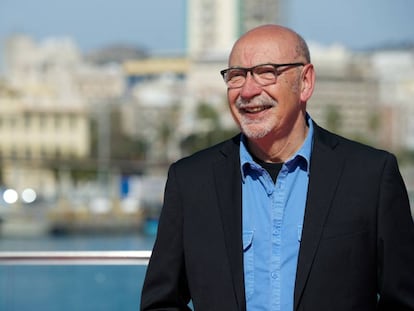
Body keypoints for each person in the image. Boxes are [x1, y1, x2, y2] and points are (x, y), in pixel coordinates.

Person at [140, 24, 414, 311]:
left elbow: (404, 299)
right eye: (236, 76)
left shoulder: (370, 175)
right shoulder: (191, 181)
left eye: (266, 72)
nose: (248, 90)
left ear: (305, 82)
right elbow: (161, 302)